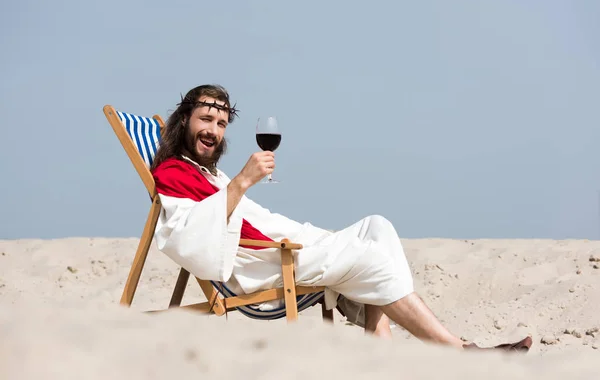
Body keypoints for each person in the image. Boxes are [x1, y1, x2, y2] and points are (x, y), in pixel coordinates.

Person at [150, 84, 532, 352]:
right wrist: (242, 183)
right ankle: (456, 350)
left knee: (377, 226)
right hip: (259, 267)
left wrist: (237, 187)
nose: (214, 131)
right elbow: (187, 238)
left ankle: (378, 346)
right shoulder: (172, 174)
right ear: (184, 121)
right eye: (205, 120)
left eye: (220, 124)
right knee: (372, 256)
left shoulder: (207, 174)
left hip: (278, 251)